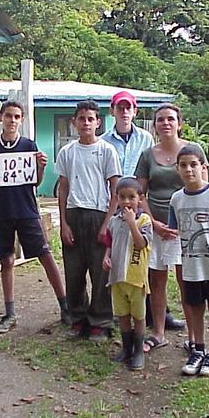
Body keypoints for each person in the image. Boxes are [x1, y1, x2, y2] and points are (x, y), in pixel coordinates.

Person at [0, 100, 70, 333]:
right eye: (8, 115)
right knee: (6, 259)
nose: (12, 120)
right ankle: (9, 313)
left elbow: (35, 181)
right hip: (2, 211)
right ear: (1, 117)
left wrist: (40, 167)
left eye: (17, 116)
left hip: (26, 210)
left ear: (22, 119)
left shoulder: (29, 145)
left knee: (45, 254)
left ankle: (65, 306)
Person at [102, 90, 185, 332]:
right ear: (113, 111)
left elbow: (146, 183)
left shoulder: (147, 140)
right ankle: (125, 311)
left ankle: (159, 315)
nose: (125, 112)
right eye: (120, 107)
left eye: (129, 108)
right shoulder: (104, 141)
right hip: (118, 206)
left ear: (135, 111)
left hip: (145, 211)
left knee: (160, 268)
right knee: (127, 259)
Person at [134, 103, 208, 352]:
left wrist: (187, 225)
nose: (165, 123)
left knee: (186, 280)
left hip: (185, 229)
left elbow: (203, 189)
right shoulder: (147, 155)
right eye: (160, 120)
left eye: (170, 119)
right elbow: (139, 193)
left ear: (179, 123)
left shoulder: (192, 150)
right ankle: (158, 333)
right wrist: (154, 223)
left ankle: (194, 336)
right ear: (154, 125)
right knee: (156, 280)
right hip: (156, 227)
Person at [55, 100, 122, 342]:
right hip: (74, 214)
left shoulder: (106, 151)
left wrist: (107, 223)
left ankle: (100, 320)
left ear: (98, 122)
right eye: (81, 118)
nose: (86, 123)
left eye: (90, 119)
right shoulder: (67, 152)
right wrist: (63, 222)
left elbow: (115, 188)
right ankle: (78, 317)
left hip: (98, 214)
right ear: (74, 122)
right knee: (74, 271)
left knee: (99, 271)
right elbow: (63, 188)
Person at [170, 144, 209, 376]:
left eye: (193, 165)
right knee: (195, 307)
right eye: (183, 166)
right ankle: (198, 349)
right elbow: (174, 227)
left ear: (203, 167)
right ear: (177, 169)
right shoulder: (176, 199)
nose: (189, 170)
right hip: (190, 266)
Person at [102, 177, 153, 370]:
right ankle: (126, 348)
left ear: (140, 198)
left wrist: (132, 223)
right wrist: (106, 258)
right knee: (122, 315)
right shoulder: (114, 221)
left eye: (131, 197)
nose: (126, 202)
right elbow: (109, 243)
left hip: (136, 279)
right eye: (122, 197)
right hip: (117, 278)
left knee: (138, 317)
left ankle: (139, 352)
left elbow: (141, 243)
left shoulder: (144, 220)